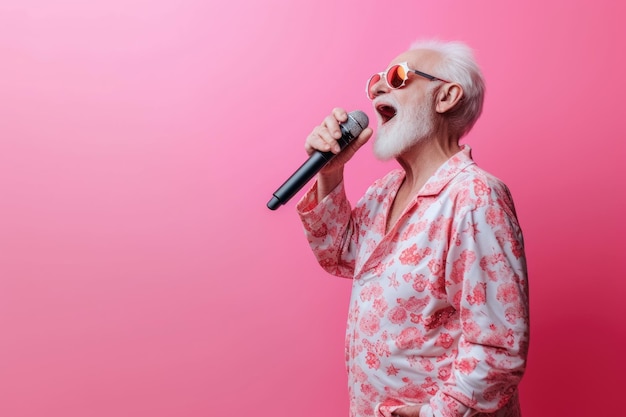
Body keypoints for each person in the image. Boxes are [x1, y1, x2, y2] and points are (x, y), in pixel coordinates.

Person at [296, 40, 529, 417]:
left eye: (398, 77)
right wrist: (331, 171)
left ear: (446, 96)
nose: (377, 90)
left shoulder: (474, 197)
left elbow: (498, 346)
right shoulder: (384, 190)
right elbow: (339, 256)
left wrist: (436, 413)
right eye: (376, 82)